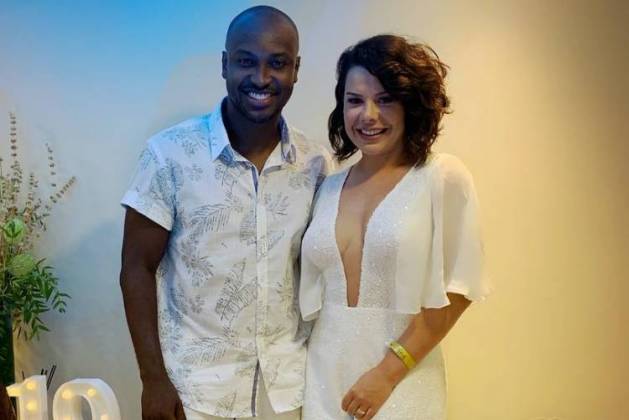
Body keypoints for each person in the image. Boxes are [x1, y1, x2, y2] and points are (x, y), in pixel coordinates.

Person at [120, 6, 331, 420]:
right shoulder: (169, 155)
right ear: (224, 65)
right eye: (246, 61)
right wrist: (153, 380)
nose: (261, 78)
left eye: (278, 63)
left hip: (287, 390)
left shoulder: (316, 164)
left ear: (296, 70)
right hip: (196, 394)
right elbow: (135, 269)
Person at [299, 34, 491, 419]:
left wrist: (387, 373)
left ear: (410, 104)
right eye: (355, 100)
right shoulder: (328, 186)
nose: (368, 115)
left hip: (402, 379)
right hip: (322, 377)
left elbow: (458, 290)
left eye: (385, 99)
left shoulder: (441, 176)